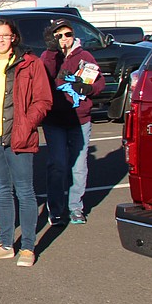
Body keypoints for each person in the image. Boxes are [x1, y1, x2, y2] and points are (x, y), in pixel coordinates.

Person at [0, 18, 53, 267]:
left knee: (25, 191)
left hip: (18, 136)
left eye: (4, 35)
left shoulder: (30, 63)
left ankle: (28, 247)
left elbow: (43, 100)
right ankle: (7, 243)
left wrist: (27, 124)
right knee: (3, 190)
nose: (0, 39)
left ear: (14, 38)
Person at [40, 19, 105, 225]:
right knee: (57, 164)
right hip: (55, 120)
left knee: (79, 166)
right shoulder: (49, 56)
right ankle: (56, 208)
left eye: (67, 34)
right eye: (58, 35)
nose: (63, 39)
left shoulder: (84, 56)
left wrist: (89, 89)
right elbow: (45, 74)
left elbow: (99, 81)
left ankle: (76, 207)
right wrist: (52, 51)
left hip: (80, 119)